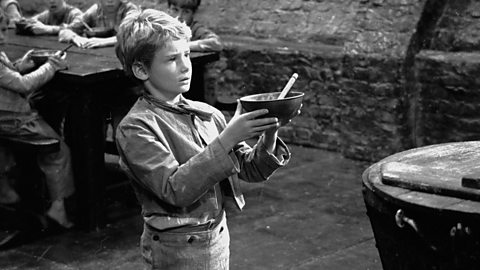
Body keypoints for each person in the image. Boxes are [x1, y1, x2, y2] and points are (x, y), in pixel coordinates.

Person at [115, 9, 293, 269]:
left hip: (217, 237)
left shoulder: (206, 113)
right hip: (176, 248)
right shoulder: (136, 127)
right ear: (142, 69)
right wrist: (229, 137)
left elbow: (251, 169)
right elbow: (175, 190)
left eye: (187, 54)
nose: (185, 65)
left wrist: (270, 130)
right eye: (172, 59)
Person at [0, 8, 74, 229]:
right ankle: (58, 209)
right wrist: (50, 66)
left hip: (5, 118)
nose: (3, 37)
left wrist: (21, 65)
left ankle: (9, 191)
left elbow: (8, 75)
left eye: (3, 30)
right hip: (12, 120)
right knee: (59, 151)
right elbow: (24, 84)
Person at [59, 0, 137, 49]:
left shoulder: (130, 10)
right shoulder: (95, 11)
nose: (110, 1)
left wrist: (103, 42)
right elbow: (64, 31)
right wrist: (76, 38)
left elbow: (136, 35)